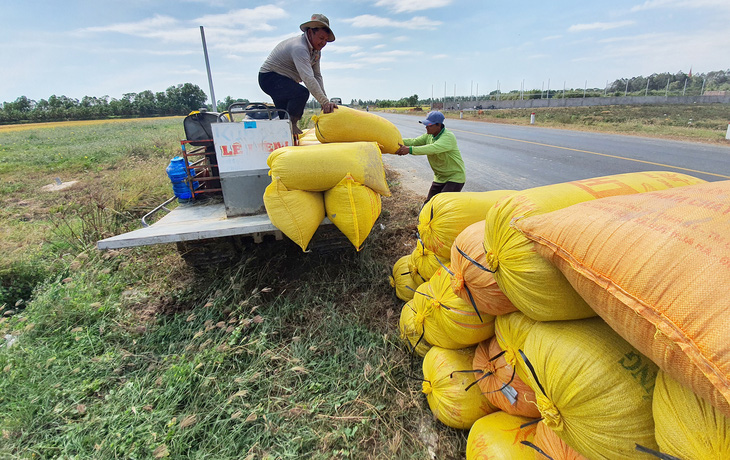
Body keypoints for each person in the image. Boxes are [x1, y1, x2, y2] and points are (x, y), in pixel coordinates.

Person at [258, 14, 337, 134]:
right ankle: (292, 127)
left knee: (284, 115)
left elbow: (317, 76)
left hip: (285, 80)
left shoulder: (316, 52)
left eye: (326, 40)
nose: (323, 43)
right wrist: (325, 102)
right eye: (321, 38)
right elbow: (308, 77)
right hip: (270, 77)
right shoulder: (299, 48)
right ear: (310, 32)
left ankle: (285, 133)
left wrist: (324, 101)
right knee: (301, 93)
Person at [396, 111, 466, 203]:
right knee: (428, 204)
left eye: (430, 125)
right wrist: (394, 140)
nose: (426, 127)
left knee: (440, 204)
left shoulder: (448, 137)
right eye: (426, 125)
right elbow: (413, 141)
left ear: (439, 125)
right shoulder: (429, 136)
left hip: (454, 178)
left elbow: (432, 148)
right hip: (439, 177)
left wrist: (409, 150)